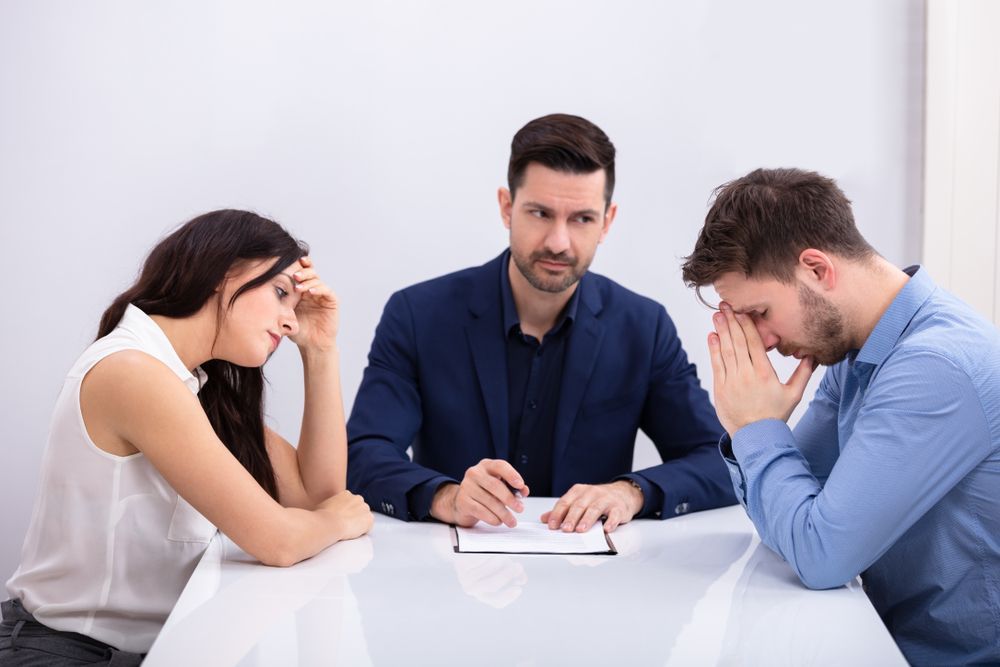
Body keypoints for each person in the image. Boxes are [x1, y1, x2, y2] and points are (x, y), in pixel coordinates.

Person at [2, 210, 373, 664]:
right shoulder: (133, 372)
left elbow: (317, 497)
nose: (289, 322)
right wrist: (337, 522)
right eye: (280, 293)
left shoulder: (190, 386)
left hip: (147, 650)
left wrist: (320, 349)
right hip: (62, 653)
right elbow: (283, 540)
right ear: (222, 273)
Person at [347, 113, 735, 534]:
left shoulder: (644, 327)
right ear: (507, 207)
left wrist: (631, 492)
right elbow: (363, 453)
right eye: (540, 213)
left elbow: (721, 460)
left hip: (596, 570)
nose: (558, 242)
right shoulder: (417, 315)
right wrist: (446, 497)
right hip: (449, 563)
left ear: (607, 221)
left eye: (582, 218)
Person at [681, 168, 1000, 665]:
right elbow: (786, 518)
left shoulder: (934, 367)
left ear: (816, 269)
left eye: (760, 313)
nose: (763, 340)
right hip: (883, 643)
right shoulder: (858, 356)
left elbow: (819, 554)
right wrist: (753, 431)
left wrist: (753, 427)